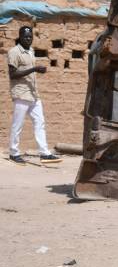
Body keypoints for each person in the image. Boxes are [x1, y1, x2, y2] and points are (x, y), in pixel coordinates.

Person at [6, 26, 61, 165]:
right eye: (25, 37)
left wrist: (35, 70)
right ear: (20, 37)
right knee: (17, 124)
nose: (28, 39)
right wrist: (34, 69)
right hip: (21, 93)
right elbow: (12, 74)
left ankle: (44, 153)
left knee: (40, 121)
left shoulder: (30, 51)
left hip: (33, 94)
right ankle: (14, 152)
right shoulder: (14, 52)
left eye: (30, 37)